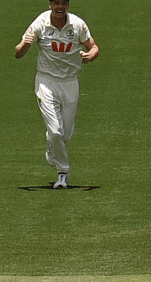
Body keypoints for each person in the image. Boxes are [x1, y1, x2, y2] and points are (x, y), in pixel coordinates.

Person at [15, 0, 100, 190]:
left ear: (67, 5)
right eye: (56, 3)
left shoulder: (77, 25)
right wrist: (26, 45)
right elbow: (18, 53)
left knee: (65, 134)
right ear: (50, 5)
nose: (59, 7)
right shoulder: (40, 23)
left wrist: (91, 55)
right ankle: (63, 172)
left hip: (70, 82)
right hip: (46, 82)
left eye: (63, 3)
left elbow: (93, 47)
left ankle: (52, 148)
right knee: (55, 131)